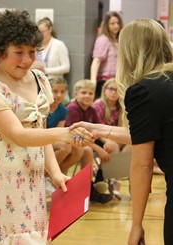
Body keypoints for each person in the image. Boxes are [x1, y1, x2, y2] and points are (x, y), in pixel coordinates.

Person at [0, 10, 93, 244]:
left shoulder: (41, 80)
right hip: (1, 184)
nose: (27, 60)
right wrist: (66, 133)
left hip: (32, 182)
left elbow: (41, 134)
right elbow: (20, 135)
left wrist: (56, 173)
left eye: (31, 52)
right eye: (18, 53)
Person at [71, 18, 173, 245]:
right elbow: (149, 133)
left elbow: (142, 163)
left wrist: (136, 224)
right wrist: (96, 129)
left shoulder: (145, 89)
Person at [65, 79, 114, 203]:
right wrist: (99, 149)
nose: (87, 96)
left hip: (85, 140)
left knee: (111, 146)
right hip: (71, 140)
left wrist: (106, 141)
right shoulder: (72, 108)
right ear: (76, 94)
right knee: (88, 150)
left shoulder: (91, 110)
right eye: (83, 93)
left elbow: (99, 128)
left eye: (90, 93)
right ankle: (89, 189)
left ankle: (100, 179)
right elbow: (76, 135)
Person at [31, 17, 70, 105]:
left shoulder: (59, 45)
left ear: (50, 29)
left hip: (55, 86)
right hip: (40, 86)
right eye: (38, 32)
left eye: (42, 32)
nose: (40, 35)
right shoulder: (37, 46)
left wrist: (46, 70)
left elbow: (66, 67)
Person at [90, 11, 123, 98]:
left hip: (117, 80)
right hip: (105, 80)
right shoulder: (103, 39)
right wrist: (93, 81)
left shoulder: (120, 40)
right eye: (112, 23)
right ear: (106, 25)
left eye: (118, 23)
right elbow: (96, 60)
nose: (116, 26)